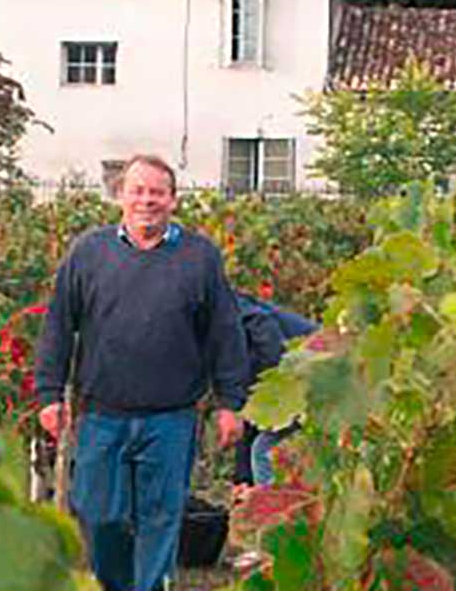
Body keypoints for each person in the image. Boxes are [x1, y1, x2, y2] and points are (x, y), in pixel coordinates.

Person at [35, 154, 249, 591]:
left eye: (156, 192)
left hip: (171, 417)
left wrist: (231, 403)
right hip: (102, 414)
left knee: (160, 517)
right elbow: (58, 324)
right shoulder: (89, 253)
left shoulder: (199, 257)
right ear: (120, 196)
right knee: (99, 515)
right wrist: (49, 394)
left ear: (173, 200)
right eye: (138, 191)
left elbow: (225, 333)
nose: (146, 201)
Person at [234, 291, 316, 488]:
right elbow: (254, 416)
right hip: (303, 373)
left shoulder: (224, 306)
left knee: (264, 452)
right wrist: (242, 480)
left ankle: (274, 514)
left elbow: (264, 326)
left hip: (315, 371)